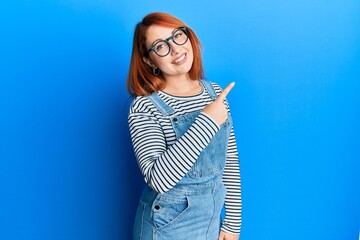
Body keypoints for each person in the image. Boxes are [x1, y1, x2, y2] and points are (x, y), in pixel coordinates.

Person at [126, 12, 242, 240]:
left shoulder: (215, 93)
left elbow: (228, 162)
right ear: (149, 60)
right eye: (160, 46)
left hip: (210, 219)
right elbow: (159, 179)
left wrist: (232, 222)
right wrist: (207, 121)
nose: (176, 49)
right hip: (166, 226)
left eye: (178, 36)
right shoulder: (144, 107)